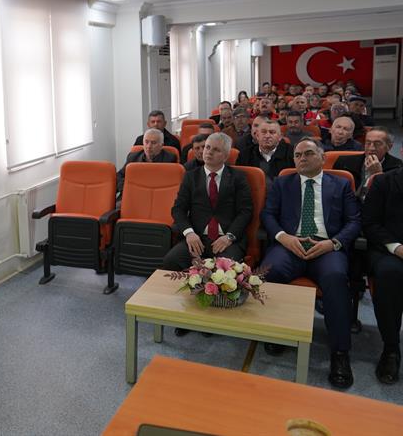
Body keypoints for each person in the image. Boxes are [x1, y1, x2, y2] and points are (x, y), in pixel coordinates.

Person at [260, 138, 361, 389]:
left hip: (326, 248)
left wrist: (333, 243)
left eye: (308, 153)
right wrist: (284, 237)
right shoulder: (283, 183)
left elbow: (354, 221)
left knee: (336, 279)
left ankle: (340, 353)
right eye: (297, 155)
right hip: (290, 246)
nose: (302, 159)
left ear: (323, 157)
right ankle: (276, 332)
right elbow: (268, 215)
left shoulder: (340, 184)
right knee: (267, 273)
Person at [163, 133, 253, 338]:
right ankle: (185, 314)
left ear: (226, 155)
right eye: (207, 147)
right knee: (171, 260)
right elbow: (178, 209)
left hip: (226, 239)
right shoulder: (191, 176)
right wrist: (189, 233)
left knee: (224, 270)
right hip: (197, 237)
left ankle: (212, 319)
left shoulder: (238, 177)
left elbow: (246, 211)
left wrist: (229, 236)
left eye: (215, 149)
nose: (208, 152)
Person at [362, 163, 403, 384]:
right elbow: (370, 224)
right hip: (390, 249)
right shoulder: (383, 182)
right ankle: (391, 348)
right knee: (389, 274)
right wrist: (397, 248)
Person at [333, 127, 402, 200]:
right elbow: (334, 191)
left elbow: (393, 198)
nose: (371, 148)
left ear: (389, 147)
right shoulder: (344, 162)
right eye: (368, 143)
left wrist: (378, 175)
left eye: (377, 144)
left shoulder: (398, 167)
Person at [117, 128, 177, 193]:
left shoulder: (170, 159)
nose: (149, 146)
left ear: (161, 145)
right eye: (146, 142)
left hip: (158, 193)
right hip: (134, 193)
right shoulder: (133, 157)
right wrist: (127, 188)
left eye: (153, 143)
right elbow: (119, 176)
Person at [235, 120, 294, 184]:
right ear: (257, 136)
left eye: (272, 132)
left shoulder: (292, 153)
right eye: (263, 132)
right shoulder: (244, 155)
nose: (267, 136)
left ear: (280, 137)